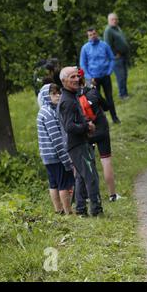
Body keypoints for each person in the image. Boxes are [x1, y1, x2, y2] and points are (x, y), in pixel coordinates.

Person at [58, 66, 104, 217]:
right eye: (72, 77)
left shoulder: (72, 96)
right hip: (76, 144)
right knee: (91, 177)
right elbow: (69, 126)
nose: (77, 79)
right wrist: (86, 126)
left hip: (79, 142)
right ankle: (96, 211)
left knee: (81, 177)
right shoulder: (67, 101)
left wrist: (85, 123)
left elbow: (76, 120)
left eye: (77, 76)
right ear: (64, 81)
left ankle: (81, 210)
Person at [77, 68, 121, 202]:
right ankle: (112, 195)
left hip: (86, 132)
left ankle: (92, 197)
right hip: (101, 130)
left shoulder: (73, 98)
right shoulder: (93, 92)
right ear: (84, 79)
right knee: (106, 161)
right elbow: (107, 106)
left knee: (90, 164)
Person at [37, 83, 74, 215]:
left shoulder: (47, 110)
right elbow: (56, 139)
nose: (58, 95)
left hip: (47, 156)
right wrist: (65, 158)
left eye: (59, 93)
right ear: (46, 96)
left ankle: (59, 210)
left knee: (53, 183)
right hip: (55, 155)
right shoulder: (48, 113)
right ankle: (68, 212)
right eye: (53, 94)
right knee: (63, 184)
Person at [80, 27, 121, 124]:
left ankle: (115, 118)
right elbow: (83, 64)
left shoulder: (104, 45)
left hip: (105, 76)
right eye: (90, 35)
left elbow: (111, 58)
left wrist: (109, 71)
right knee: (95, 100)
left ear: (96, 34)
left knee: (109, 98)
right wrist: (89, 77)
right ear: (88, 36)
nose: (93, 36)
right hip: (93, 79)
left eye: (94, 34)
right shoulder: (85, 48)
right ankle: (100, 120)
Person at [104, 13, 130, 100]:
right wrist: (114, 54)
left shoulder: (117, 28)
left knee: (125, 75)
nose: (114, 21)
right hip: (117, 58)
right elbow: (108, 45)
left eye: (116, 19)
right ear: (108, 21)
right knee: (121, 76)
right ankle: (122, 95)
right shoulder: (108, 30)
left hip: (123, 56)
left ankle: (125, 93)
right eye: (112, 19)